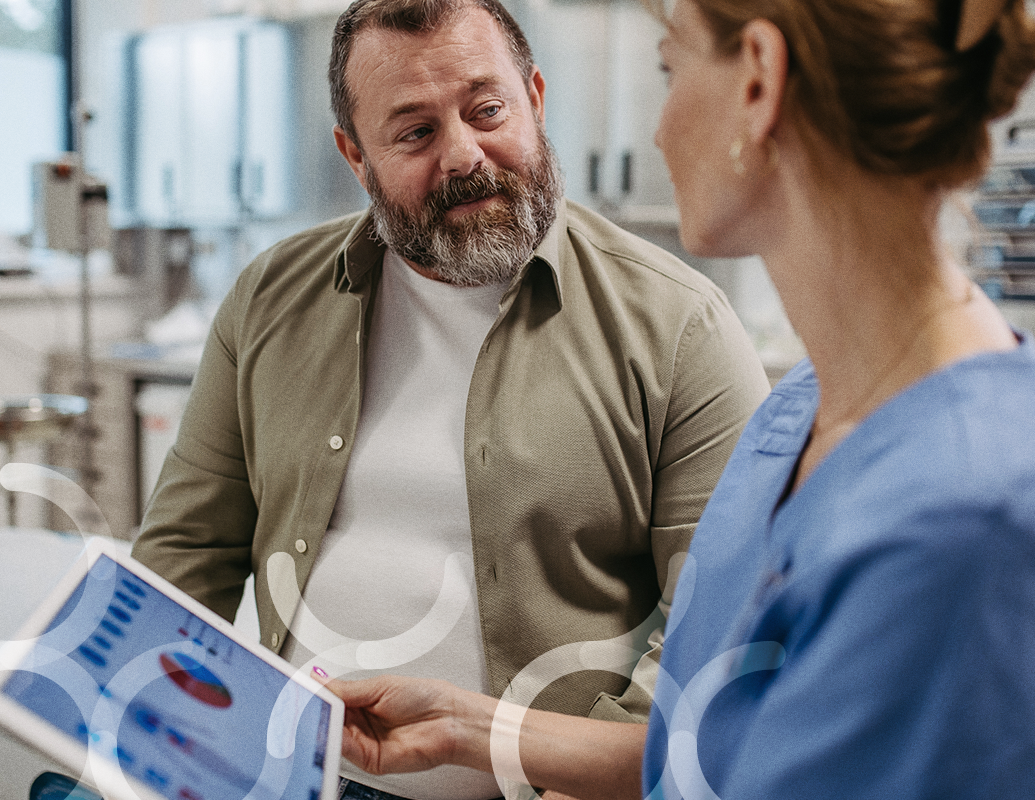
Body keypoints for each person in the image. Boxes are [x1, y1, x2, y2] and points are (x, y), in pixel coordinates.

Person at [324, 0, 1035, 798]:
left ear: (759, 83)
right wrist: (470, 728)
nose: (658, 129)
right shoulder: (798, 415)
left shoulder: (966, 519)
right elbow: (710, 753)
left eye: (671, 68)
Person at [131, 0, 770, 798]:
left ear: (534, 99)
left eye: (487, 109)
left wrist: (577, 782)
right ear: (355, 158)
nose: (465, 154)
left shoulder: (681, 327)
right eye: (415, 132)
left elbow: (715, 629)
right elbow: (184, 561)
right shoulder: (270, 298)